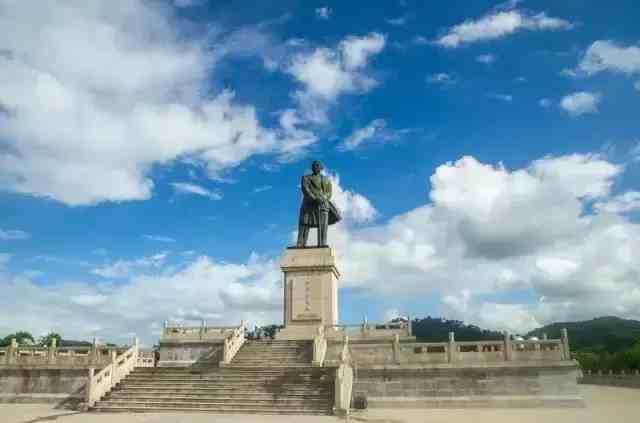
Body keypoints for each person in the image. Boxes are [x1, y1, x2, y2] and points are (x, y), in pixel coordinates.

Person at [297, 160, 341, 247]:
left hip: (323, 204)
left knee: (323, 225)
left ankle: (322, 243)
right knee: (305, 223)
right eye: (314, 165)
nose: (315, 167)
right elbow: (305, 189)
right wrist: (314, 198)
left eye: (317, 165)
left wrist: (324, 198)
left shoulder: (326, 179)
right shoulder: (306, 178)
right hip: (309, 204)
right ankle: (301, 243)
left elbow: (329, 192)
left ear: (321, 168)